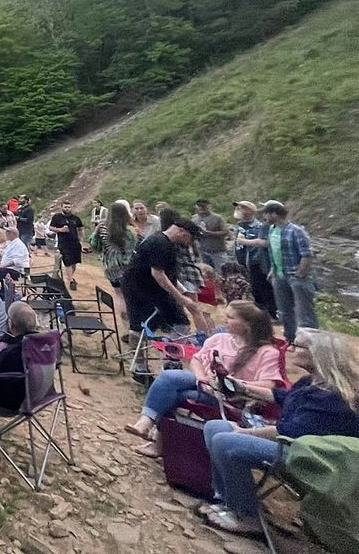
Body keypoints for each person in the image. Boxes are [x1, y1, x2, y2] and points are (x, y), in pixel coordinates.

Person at [201, 330, 359, 537]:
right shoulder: (310, 382)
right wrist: (242, 388)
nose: (289, 349)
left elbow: (289, 433)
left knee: (225, 441)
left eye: (296, 345)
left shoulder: (332, 397)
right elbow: (282, 397)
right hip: (293, 446)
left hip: (310, 459)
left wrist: (244, 432)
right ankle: (226, 499)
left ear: (317, 354)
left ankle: (246, 516)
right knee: (215, 427)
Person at [122, 302, 283, 457]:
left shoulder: (267, 352)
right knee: (170, 377)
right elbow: (196, 359)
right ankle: (146, 422)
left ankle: (158, 443)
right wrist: (203, 379)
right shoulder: (220, 338)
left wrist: (231, 383)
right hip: (205, 384)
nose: (224, 320)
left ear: (246, 324)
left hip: (231, 399)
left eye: (230, 317)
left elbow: (269, 385)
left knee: (177, 395)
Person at [239, 202, 317, 342]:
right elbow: (273, 251)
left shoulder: (296, 230)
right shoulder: (272, 229)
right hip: (279, 275)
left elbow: (307, 254)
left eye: (266, 214)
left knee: (304, 311)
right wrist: (272, 270)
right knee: (284, 310)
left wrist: (300, 273)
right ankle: (290, 339)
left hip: (296, 276)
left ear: (274, 214)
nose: (264, 217)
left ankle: (309, 342)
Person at [121, 219, 201, 332]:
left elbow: (166, 272)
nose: (189, 243)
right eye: (190, 238)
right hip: (143, 289)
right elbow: (158, 274)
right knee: (179, 323)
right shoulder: (161, 244)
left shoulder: (160, 239)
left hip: (139, 286)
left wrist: (181, 290)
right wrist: (180, 298)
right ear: (182, 232)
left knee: (142, 326)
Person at [90, 200, 136, 325]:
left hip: (109, 266)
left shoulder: (102, 228)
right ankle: (134, 323)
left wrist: (96, 231)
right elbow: (131, 251)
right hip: (127, 268)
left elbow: (94, 245)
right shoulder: (129, 230)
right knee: (131, 295)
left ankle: (125, 324)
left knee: (119, 295)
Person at [0, 302, 39, 411]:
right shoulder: (44, 345)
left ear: (10, 324)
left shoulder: (10, 352)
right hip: (40, 396)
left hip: (8, 402)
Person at [231, 201, 276, 318]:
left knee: (264, 288)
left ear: (251, 211)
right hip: (242, 261)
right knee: (253, 289)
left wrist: (246, 242)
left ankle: (271, 313)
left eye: (243, 208)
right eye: (239, 207)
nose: (239, 210)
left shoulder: (259, 227)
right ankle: (259, 314)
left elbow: (265, 243)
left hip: (257, 262)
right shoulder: (239, 226)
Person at [49, 201, 87, 291]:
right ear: (62, 207)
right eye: (65, 207)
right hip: (63, 243)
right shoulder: (57, 217)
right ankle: (70, 281)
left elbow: (81, 228)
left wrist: (81, 240)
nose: (67, 209)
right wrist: (60, 230)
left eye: (69, 207)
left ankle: (71, 277)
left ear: (71, 207)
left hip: (75, 243)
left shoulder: (75, 218)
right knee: (68, 262)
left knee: (74, 262)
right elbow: (51, 227)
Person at [192, 199, 230, 270]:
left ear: (209, 206)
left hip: (217, 251)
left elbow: (226, 232)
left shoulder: (218, 218)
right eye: (199, 206)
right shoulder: (194, 219)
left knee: (222, 271)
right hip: (202, 250)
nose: (201, 208)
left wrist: (210, 233)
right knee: (206, 272)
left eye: (203, 206)